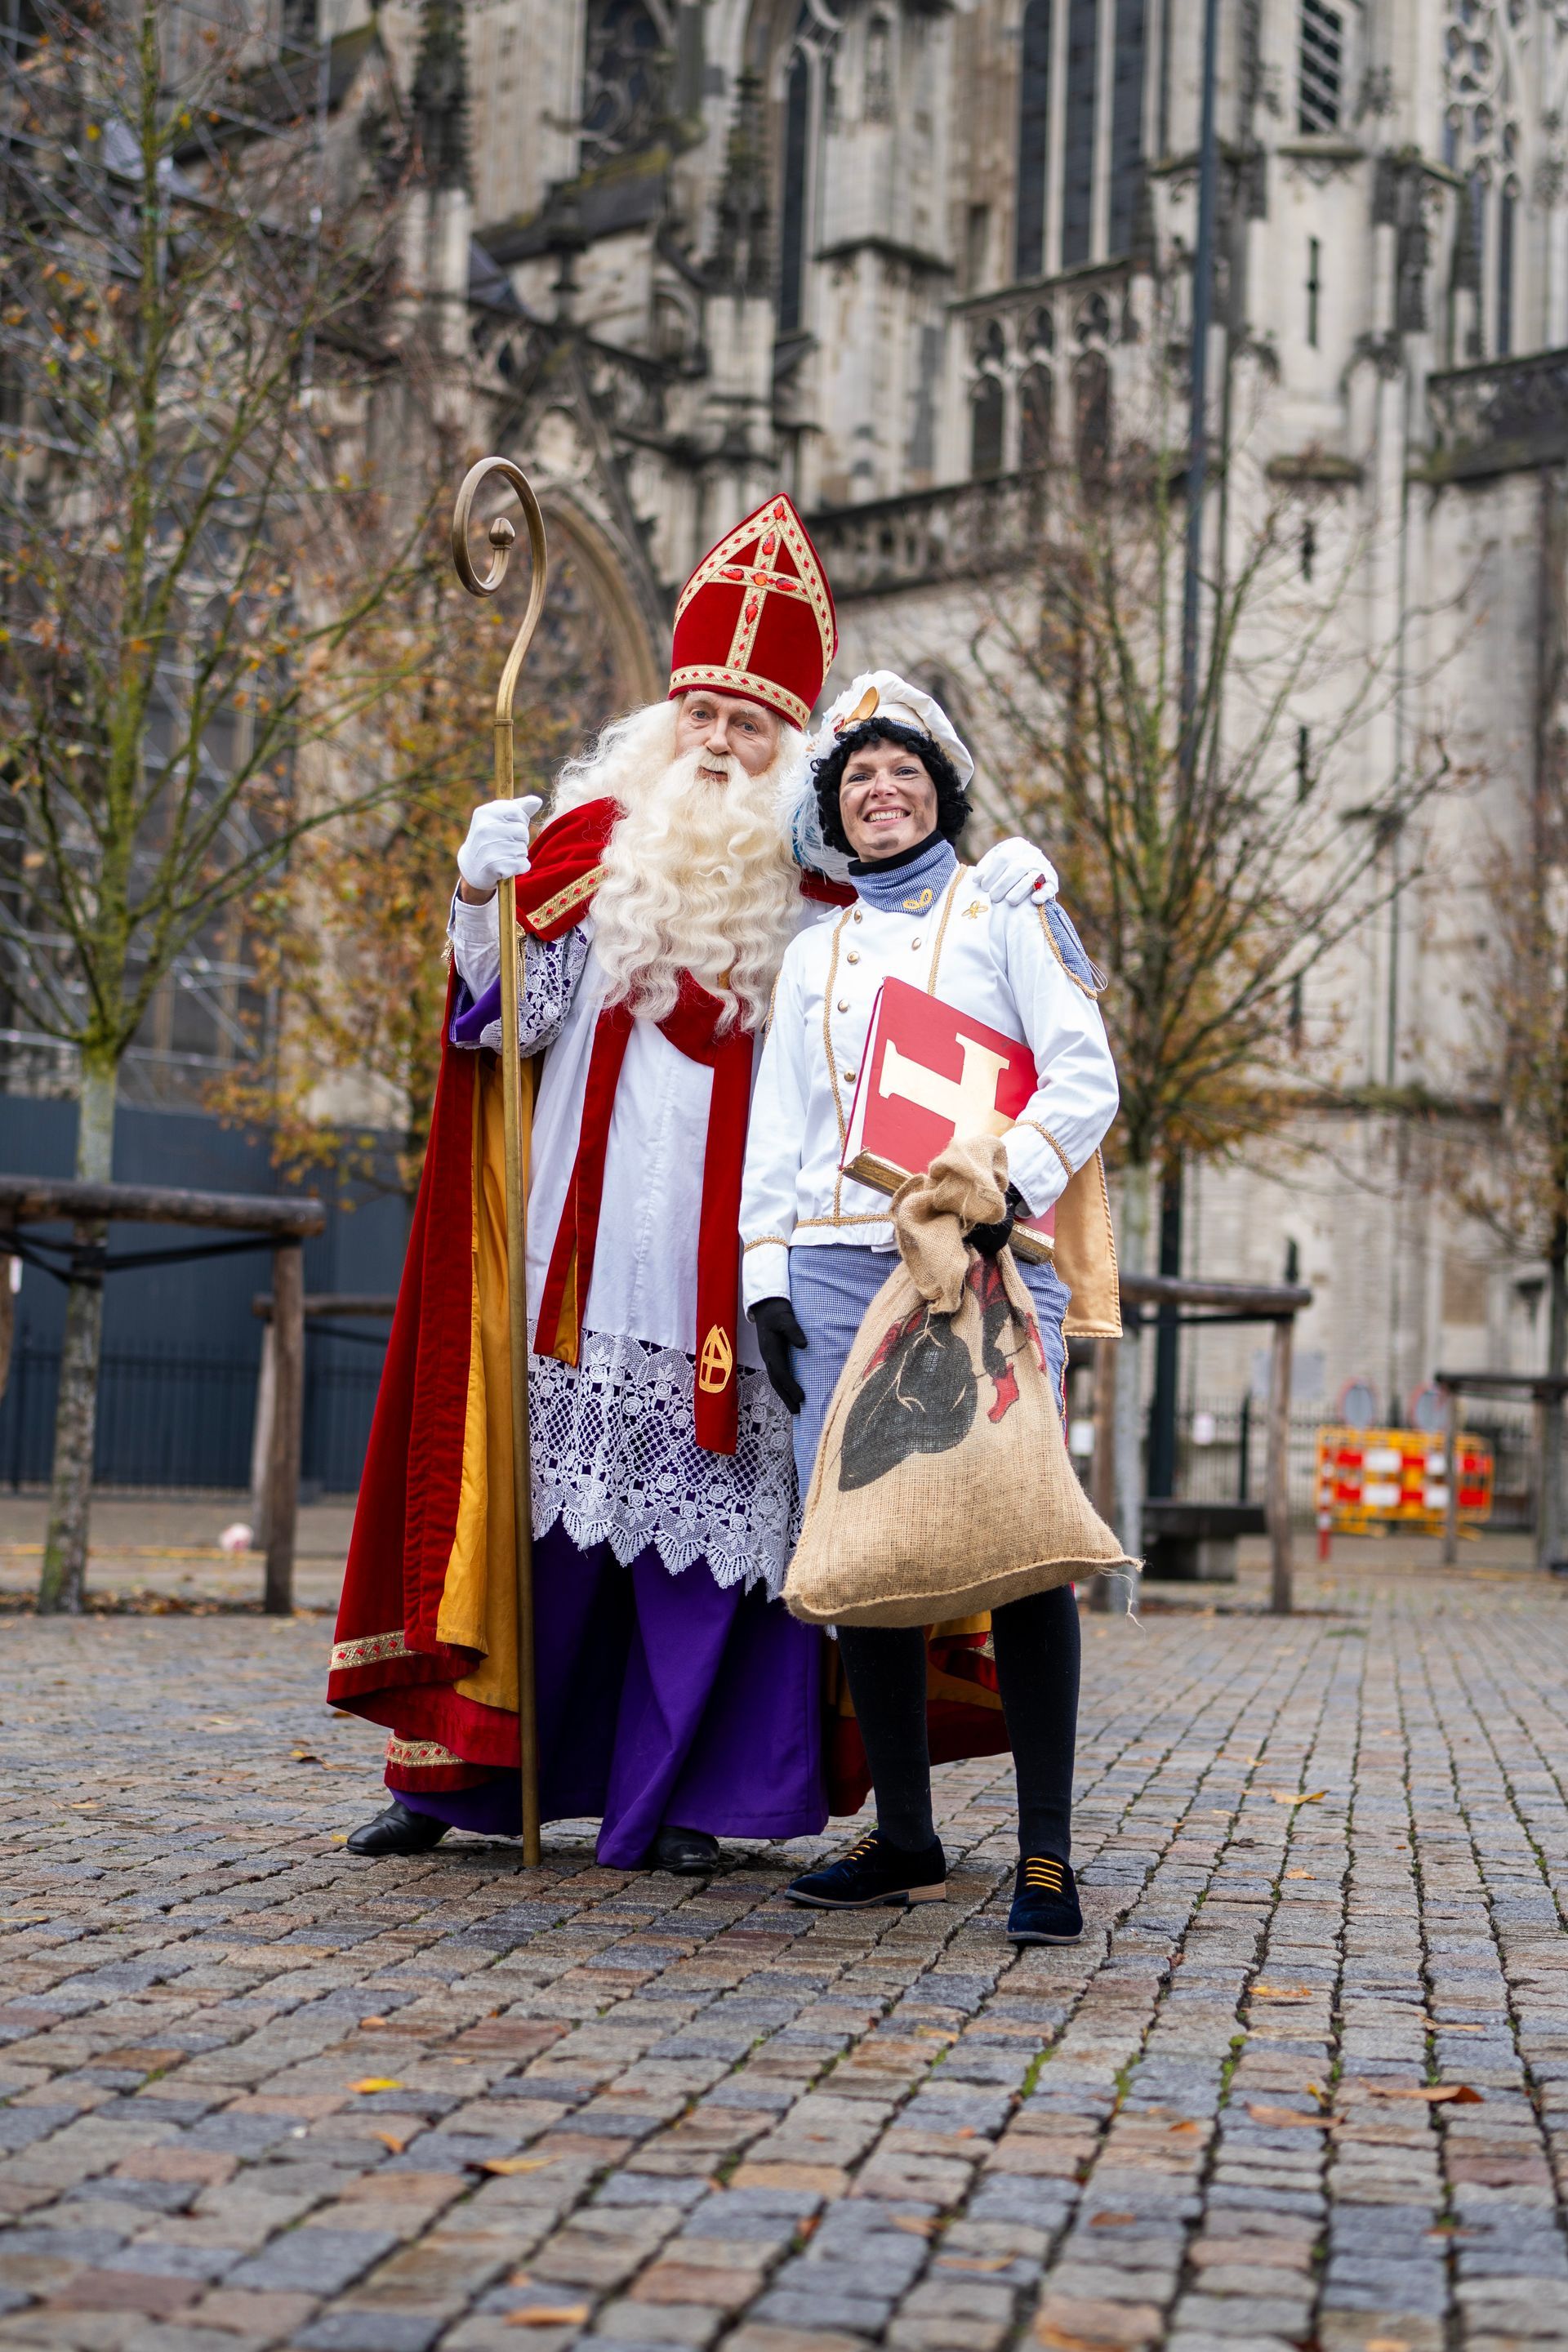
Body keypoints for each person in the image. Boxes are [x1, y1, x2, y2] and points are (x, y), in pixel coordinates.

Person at [330, 508, 1055, 1874]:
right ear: (664, 721)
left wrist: (1006, 886)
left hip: (736, 1267)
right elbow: (503, 1026)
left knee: (709, 1555)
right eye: (703, 713)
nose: (719, 743)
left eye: (752, 725)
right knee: (532, 1521)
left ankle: (683, 1801)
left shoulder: (823, 901)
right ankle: (461, 1782)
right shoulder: (593, 843)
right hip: (576, 1254)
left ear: (795, 756)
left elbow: (942, 999)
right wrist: (475, 896)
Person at [738, 670, 1120, 1940]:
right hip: (840, 1266)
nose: (881, 792)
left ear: (941, 792)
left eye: (903, 774)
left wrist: (1010, 1185)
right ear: (834, 816)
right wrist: (765, 1281)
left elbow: (1086, 1074)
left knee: (1022, 1546)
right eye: (857, 780)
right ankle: (904, 1835)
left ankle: (1048, 1858)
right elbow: (778, 1133)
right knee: (869, 1554)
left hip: (983, 1248)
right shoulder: (811, 957)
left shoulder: (1003, 906)